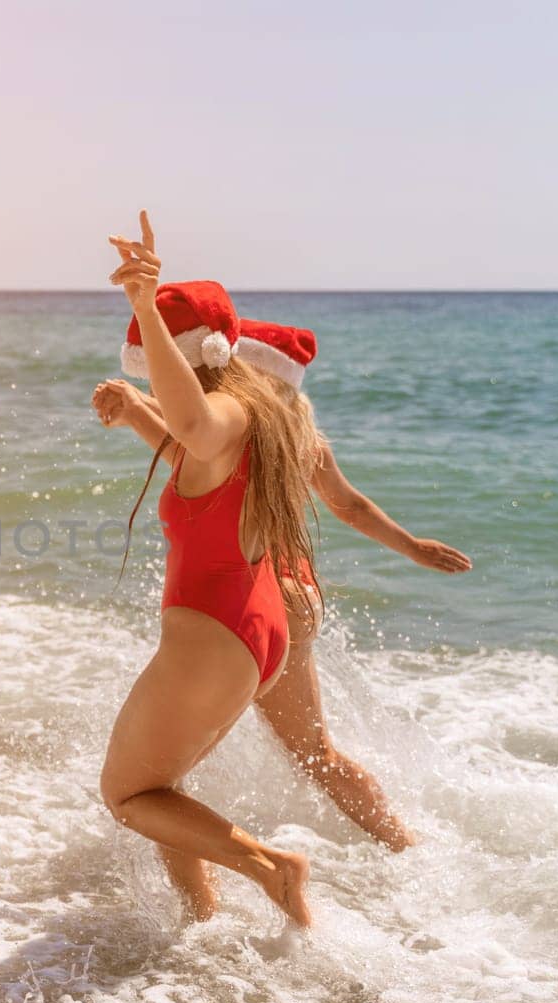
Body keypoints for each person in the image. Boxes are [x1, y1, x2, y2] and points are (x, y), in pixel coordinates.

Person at [95, 320, 471, 854]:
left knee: (159, 776)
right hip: (297, 598)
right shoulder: (301, 439)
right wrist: (412, 546)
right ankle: (404, 847)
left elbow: (188, 452)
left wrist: (137, 410)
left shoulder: (248, 432)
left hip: (257, 597)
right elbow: (351, 506)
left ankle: (212, 903)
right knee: (318, 754)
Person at [93, 211, 322, 927]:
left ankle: (273, 868)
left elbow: (195, 427)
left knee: (129, 793)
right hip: (247, 628)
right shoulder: (248, 413)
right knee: (164, 786)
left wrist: (142, 305)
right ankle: (201, 919)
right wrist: (137, 413)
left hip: (213, 634)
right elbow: (197, 462)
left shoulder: (224, 408)